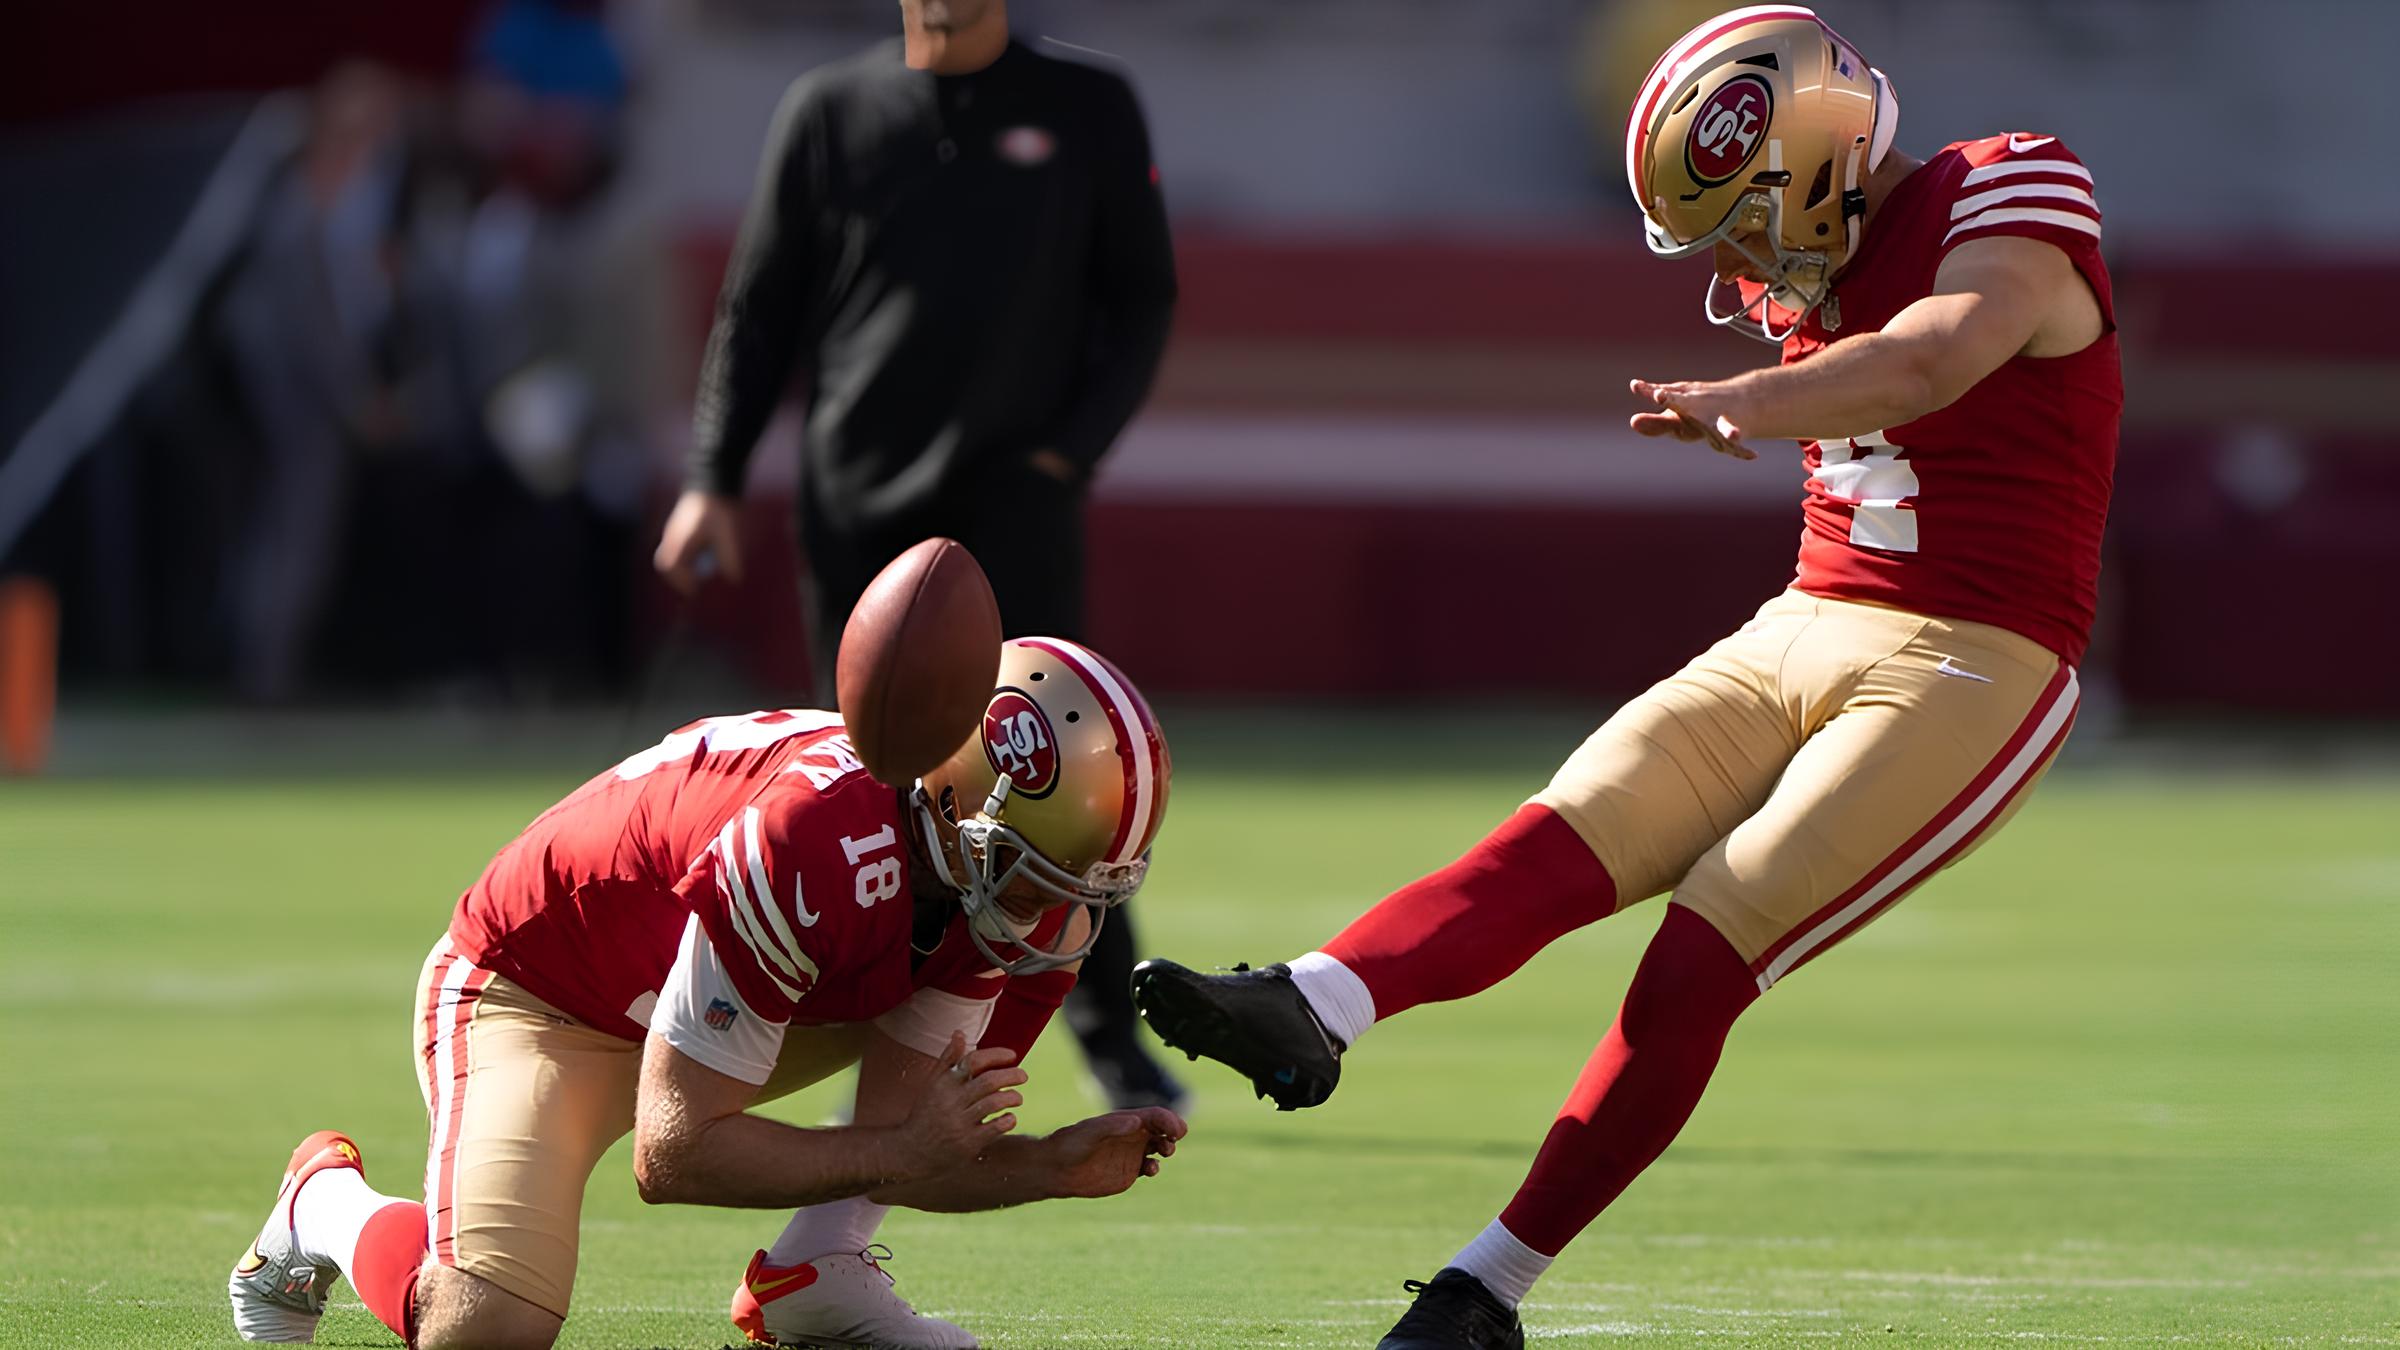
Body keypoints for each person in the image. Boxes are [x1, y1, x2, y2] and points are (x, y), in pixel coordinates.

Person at [1132, 8, 2119, 1348]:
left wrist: (1750, 401)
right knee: (1559, 835)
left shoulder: (2007, 181)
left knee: (1709, 939)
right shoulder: (1816, 253)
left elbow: (1938, 353)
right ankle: (1312, 1000)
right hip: (1804, 621)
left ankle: (1487, 1288)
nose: (1736, 259)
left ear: (1816, 152)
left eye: (1742, 217)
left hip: (1974, 660)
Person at [228, 637, 1182, 1350]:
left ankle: (815, 1271)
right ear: (959, 805)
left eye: (1084, 884)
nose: (1057, 921)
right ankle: (324, 1204)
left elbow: (914, 1152)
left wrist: (1050, 1166)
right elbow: (675, 1156)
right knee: (489, 1323)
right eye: (1034, 878)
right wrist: (900, 1145)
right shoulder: (812, 843)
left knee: (923, 1095)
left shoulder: (978, 874)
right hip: (539, 995)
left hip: (740, 982)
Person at [651, 0, 1184, 1116]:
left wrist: (1066, 453)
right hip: (857, 508)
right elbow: (759, 310)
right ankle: (833, 1030)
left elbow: (1140, 297)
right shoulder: (828, 111)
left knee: (1063, 780)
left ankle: (1106, 1035)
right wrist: (713, 477)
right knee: (859, 782)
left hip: (1014, 507)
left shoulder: (1087, 105)